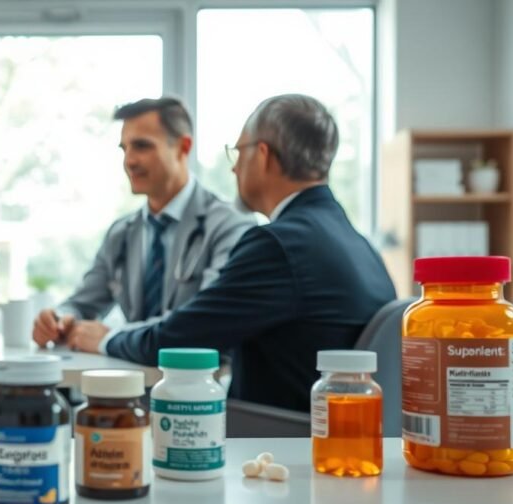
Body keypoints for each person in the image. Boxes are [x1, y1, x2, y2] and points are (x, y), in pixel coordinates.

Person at [64, 94, 396, 412]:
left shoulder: (278, 246)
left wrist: (107, 339)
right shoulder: (356, 242)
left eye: (238, 153)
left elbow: (181, 341)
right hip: (329, 435)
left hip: (275, 444)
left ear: (263, 155)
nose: (234, 169)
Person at [33, 96, 253, 348]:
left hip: (195, 384)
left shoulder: (230, 226)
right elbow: (82, 303)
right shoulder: (122, 233)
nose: (129, 161)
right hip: (131, 383)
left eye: (141, 146)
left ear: (183, 147)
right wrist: (59, 319)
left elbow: (204, 324)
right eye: (124, 149)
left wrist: (110, 338)